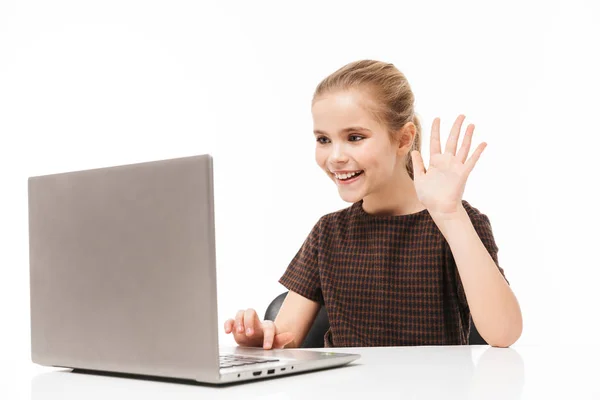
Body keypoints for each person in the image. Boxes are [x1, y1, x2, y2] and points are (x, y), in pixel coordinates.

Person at [224, 59, 523, 349]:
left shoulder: (457, 222)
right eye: (323, 139)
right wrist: (262, 337)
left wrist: (450, 215)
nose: (335, 157)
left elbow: (504, 333)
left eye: (354, 137)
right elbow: (285, 338)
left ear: (404, 139)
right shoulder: (328, 233)